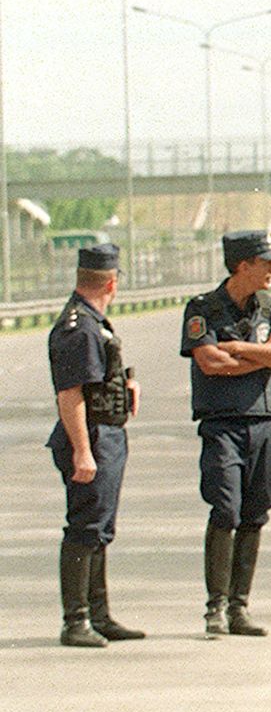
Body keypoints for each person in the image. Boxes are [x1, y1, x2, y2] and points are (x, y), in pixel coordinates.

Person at [180, 231, 271, 638]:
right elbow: (210, 362)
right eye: (266, 261)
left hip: (265, 422)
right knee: (225, 509)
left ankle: (240, 608)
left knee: (256, 511)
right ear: (243, 265)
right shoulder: (203, 309)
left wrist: (238, 349)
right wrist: (261, 356)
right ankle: (216, 606)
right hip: (223, 423)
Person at [47, 244, 144, 647]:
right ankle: (76, 620)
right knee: (85, 527)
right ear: (112, 282)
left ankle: (99, 614)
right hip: (90, 437)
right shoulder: (80, 326)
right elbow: (70, 394)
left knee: (101, 528)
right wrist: (82, 451)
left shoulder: (94, 322)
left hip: (107, 434)